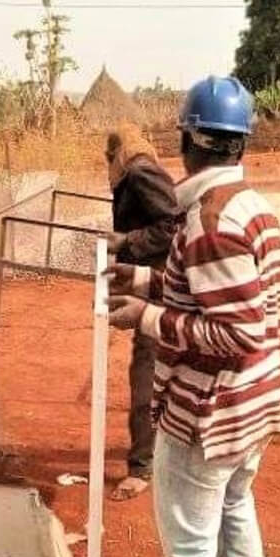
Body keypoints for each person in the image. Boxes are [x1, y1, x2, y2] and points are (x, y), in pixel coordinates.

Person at [106, 77, 280, 557]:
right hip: (252, 405)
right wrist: (147, 279)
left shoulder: (209, 222)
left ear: (186, 139)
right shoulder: (248, 205)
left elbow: (233, 332)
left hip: (210, 412)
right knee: (236, 504)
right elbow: (209, 289)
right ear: (240, 143)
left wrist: (146, 318)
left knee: (187, 539)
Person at [104, 122, 182, 501]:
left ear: (115, 153)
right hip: (150, 279)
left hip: (161, 283)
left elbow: (172, 224)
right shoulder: (137, 171)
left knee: (146, 372)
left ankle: (143, 466)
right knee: (153, 365)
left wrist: (126, 241)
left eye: (107, 156)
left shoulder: (138, 172)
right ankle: (156, 453)